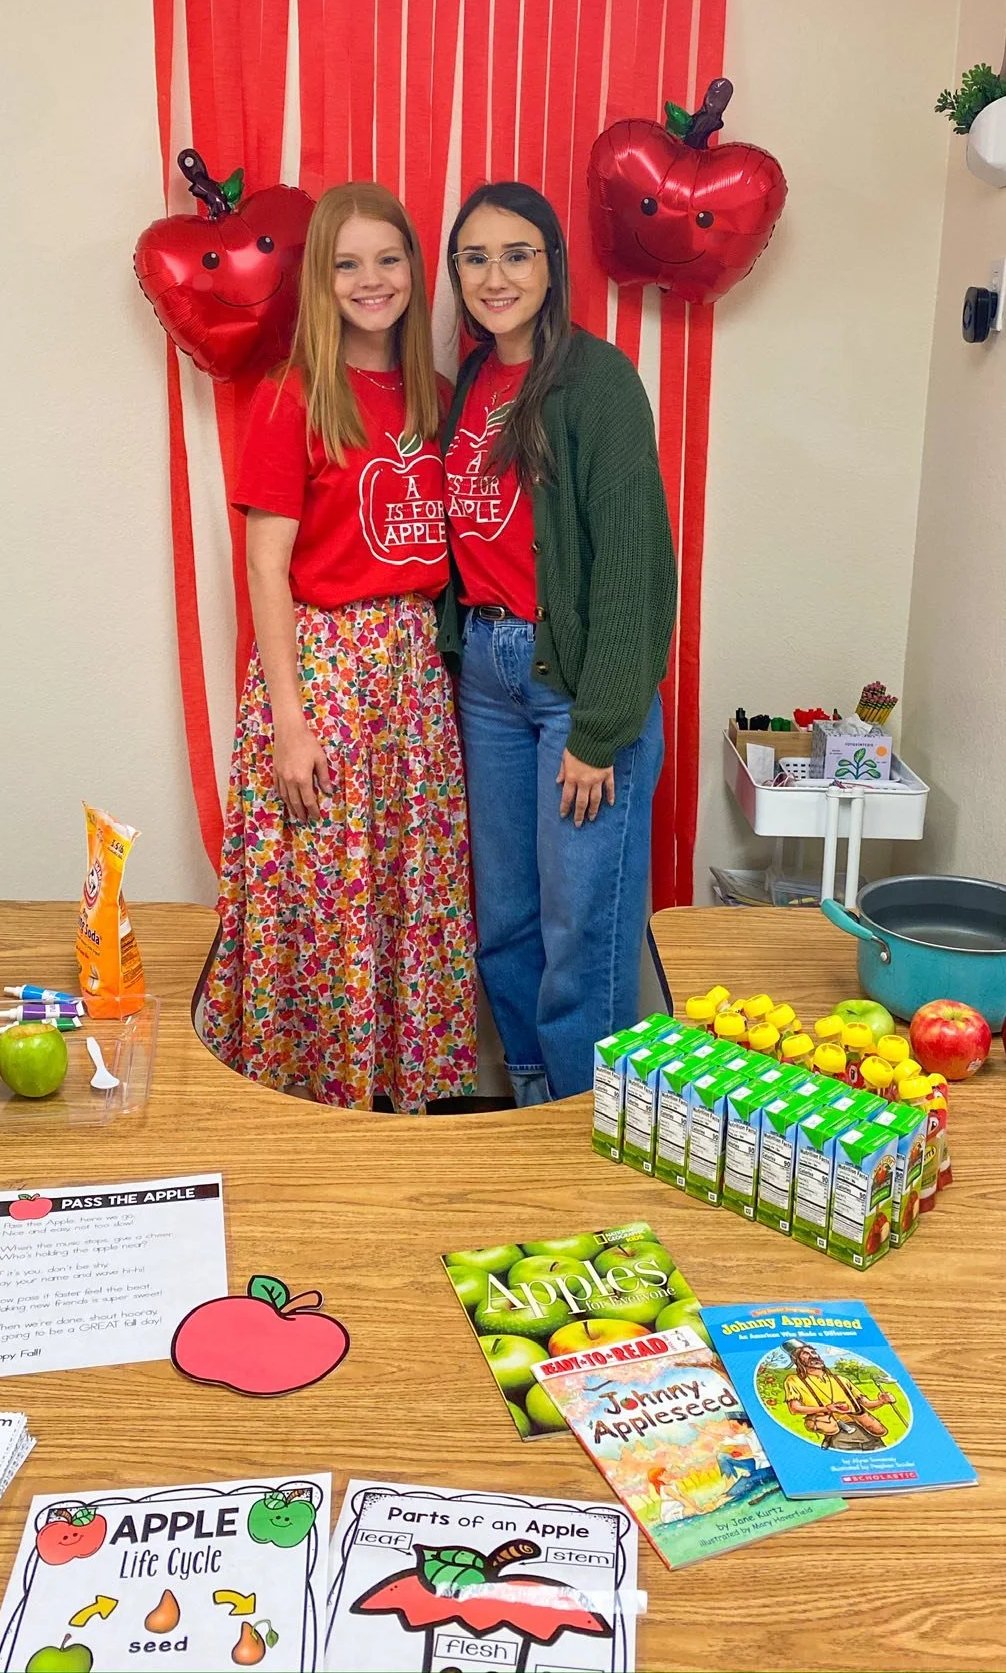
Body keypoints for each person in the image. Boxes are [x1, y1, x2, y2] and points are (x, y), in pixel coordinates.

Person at [200, 182, 476, 1113]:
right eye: (347, 263)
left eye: (388, 259)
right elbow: (265, 565)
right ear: (320, 279)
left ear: (415, 271)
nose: (371, 280)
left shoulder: (438, 399)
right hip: (325, 671)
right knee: (327, 893)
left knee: (406, 886)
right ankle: (313, 1108)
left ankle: (396, 1100)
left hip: (412, 677)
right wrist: (289, 721)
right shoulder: (294, 396)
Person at [439, 182, 675, 1107]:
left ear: (552, 266)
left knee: (583, 926)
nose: (495, 276)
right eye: (475, 258)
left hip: (575, 686)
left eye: (517, 254)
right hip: (488, 682)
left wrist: (601, 728)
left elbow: (633, 564)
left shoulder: (597, 380)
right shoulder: (470, 381)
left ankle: (587, 1121)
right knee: (505, 918)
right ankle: (533, 1109)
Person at [781, 1342, 894, 1450]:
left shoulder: (841, 1380)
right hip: (838, 1434)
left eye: (813, 1352)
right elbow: (795, 1409)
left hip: (867, 1431)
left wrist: (881, 1401)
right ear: (796, 1359)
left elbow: (866, 1403)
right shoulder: (794, 1380)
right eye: (806, 1353)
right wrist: (826, 1409)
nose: (813, 1356)